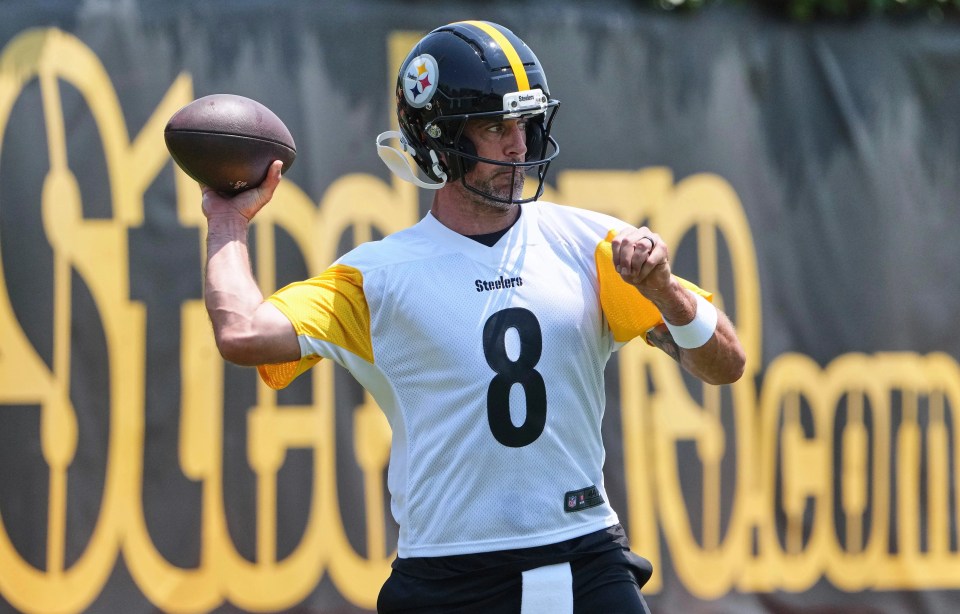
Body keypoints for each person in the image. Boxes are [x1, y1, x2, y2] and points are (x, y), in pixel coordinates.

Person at [201, 20, 745, 614]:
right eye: (494, 126)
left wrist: (667, 292)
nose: (518, 145)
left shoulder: (589, 246)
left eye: (525, 123)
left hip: (584, 560)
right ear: (439, 137)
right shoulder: (377, 278)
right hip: (448, 576)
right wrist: (229, 221)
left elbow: (725, 363)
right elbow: (242, 333)